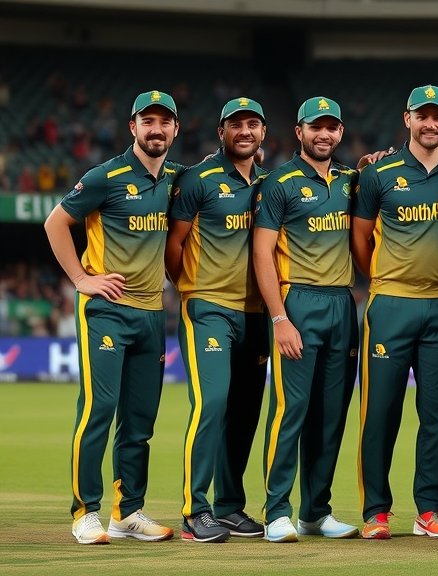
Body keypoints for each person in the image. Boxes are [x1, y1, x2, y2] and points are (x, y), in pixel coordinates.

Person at [44, 90, 181, 544]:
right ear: (133, 127)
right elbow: (55, 223)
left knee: (140, 420)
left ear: (175, 129)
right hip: (106, 312)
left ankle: (129, 513)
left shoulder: (178, 179)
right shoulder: (107, 176)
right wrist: (81, 278)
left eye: (164, 121)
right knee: (99, 410)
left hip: (150, 315)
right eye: (148, 121)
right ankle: (86, 511)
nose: (156, 129)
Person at [351, 85, 438, 540]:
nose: (430, 123)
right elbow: (360, 241)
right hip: (390, 305)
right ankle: (375, 511)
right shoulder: (379, 174)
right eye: (422, 115)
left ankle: (433, 510)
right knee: (380, 411)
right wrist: (387, 277)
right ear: (408, 119)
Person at [252, 96, 360, 543]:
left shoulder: (352, 180)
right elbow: (261, 253)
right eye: (316, 127)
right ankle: (277, 510)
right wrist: (279, 319)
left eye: (331, 127)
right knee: (289, 411)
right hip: (298, 301)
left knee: (331, 415)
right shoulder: (279, 182)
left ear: (340, 133)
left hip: (342, 303)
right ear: (299, 131)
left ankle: (316, 512)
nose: (324, 134)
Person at [165, 97, 270, 543]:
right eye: (235, 125)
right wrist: (190, 285)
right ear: (221, 131)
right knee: (212, 404)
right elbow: (174, 245)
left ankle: (229, 507)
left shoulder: (268, 183)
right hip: (208, 308)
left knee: (245, 413)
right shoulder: (198, 179)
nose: (244, 132)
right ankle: (196, 509)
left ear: (262, 132)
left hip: (256, 314)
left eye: (252, 124)